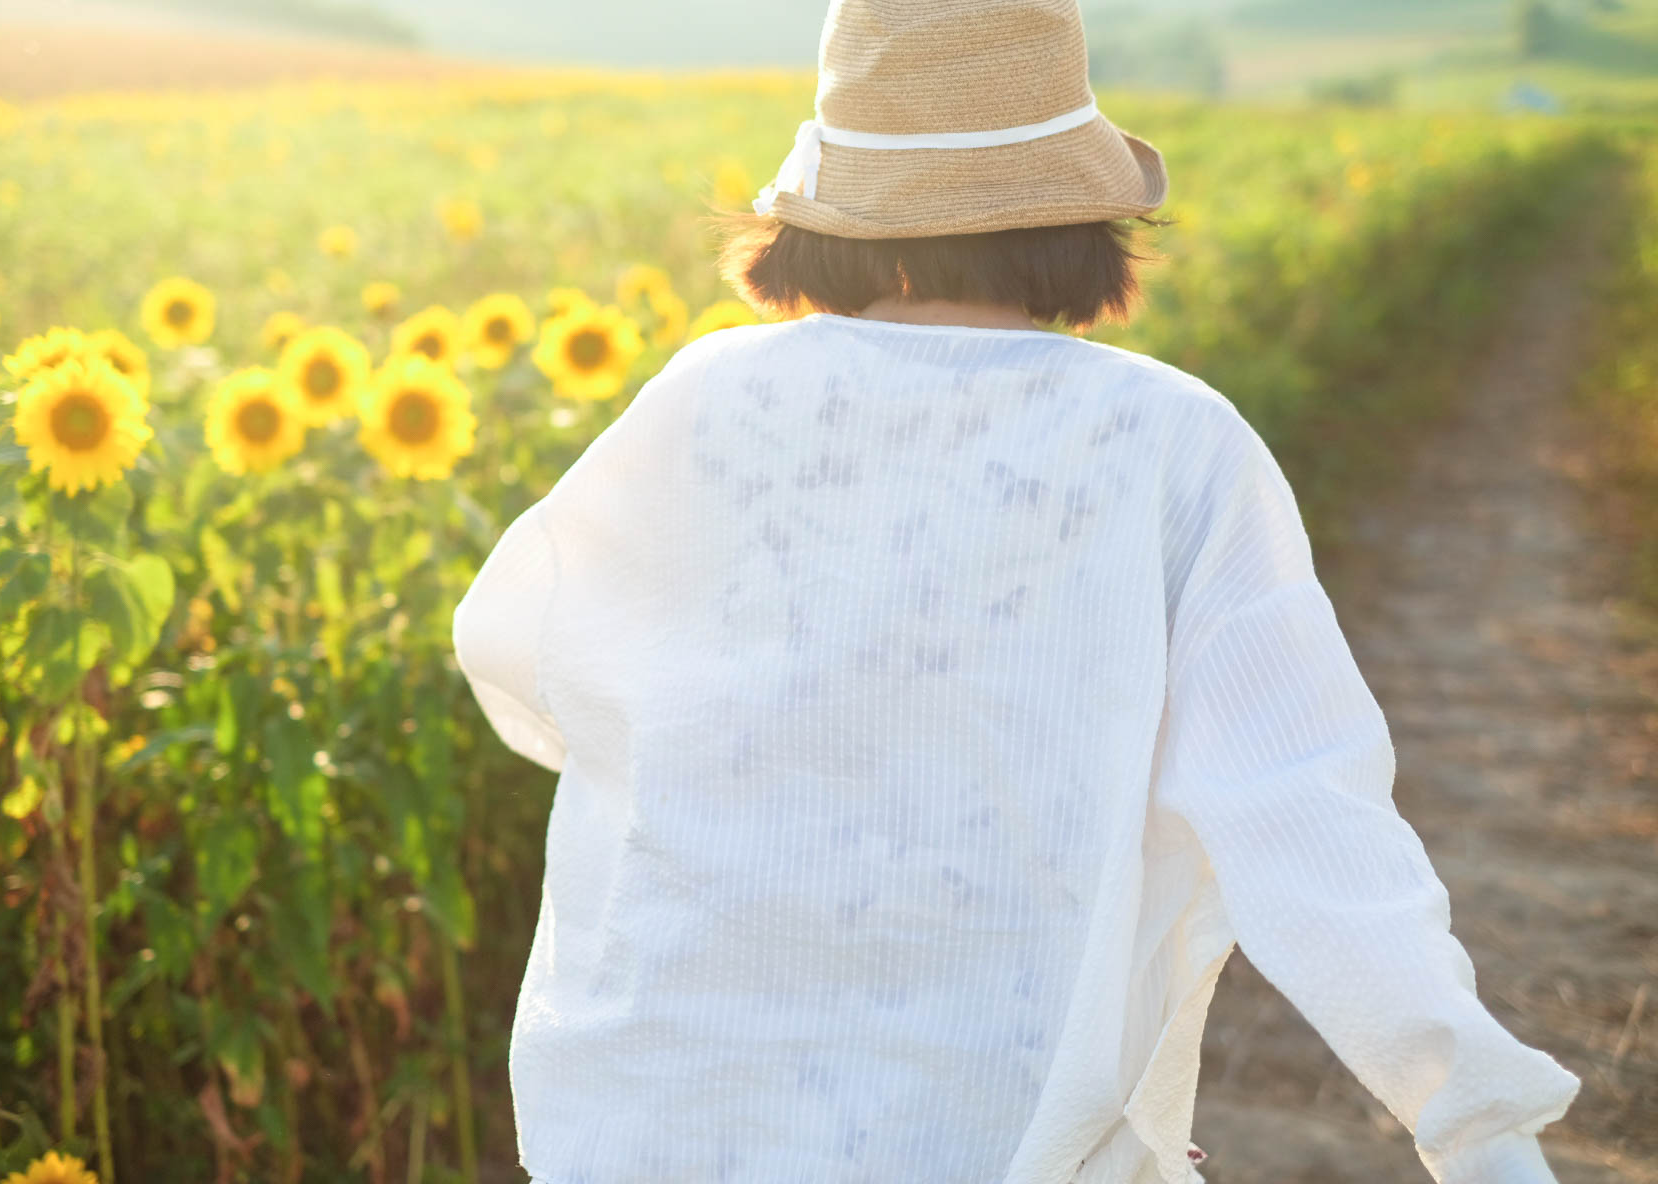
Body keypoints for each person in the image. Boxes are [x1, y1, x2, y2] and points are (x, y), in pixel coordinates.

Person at [450, 1, 1583, 1180]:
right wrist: (1480, 1133)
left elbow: (521, 654)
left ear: (826, 212)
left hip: (659, 1119)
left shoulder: (703, 401)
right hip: (1006, 1132)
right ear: (1084, 213)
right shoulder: (1170, 445)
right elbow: (1310, 824)